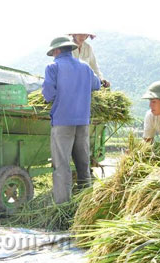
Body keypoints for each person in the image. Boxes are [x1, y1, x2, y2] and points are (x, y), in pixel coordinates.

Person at [42, 36, 101, 204]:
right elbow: (96, 85)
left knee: (62, 166)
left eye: (53, 52)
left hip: (62, 121)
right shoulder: (85, 67)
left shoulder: (53, 67)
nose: (53, 55)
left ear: (57, 50)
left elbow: (48, 94)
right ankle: (86, 204)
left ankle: (63, 206)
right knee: (83, 165)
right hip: (83, 122)